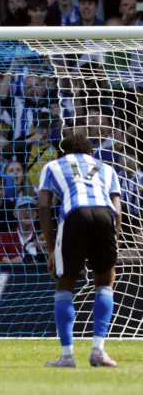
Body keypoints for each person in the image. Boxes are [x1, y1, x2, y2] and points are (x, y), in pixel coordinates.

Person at [38, 133, 122, 367]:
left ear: (63, 153)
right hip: (105, 214)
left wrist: (51, 247)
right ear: (90, 154)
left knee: (65, 283)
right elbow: (117, 207)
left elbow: (44, 205)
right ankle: (98, 351)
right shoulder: (106, 168)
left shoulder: (53, 165)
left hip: (75, 213)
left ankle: (67, 356)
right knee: (105, 281)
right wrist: (113, 238)